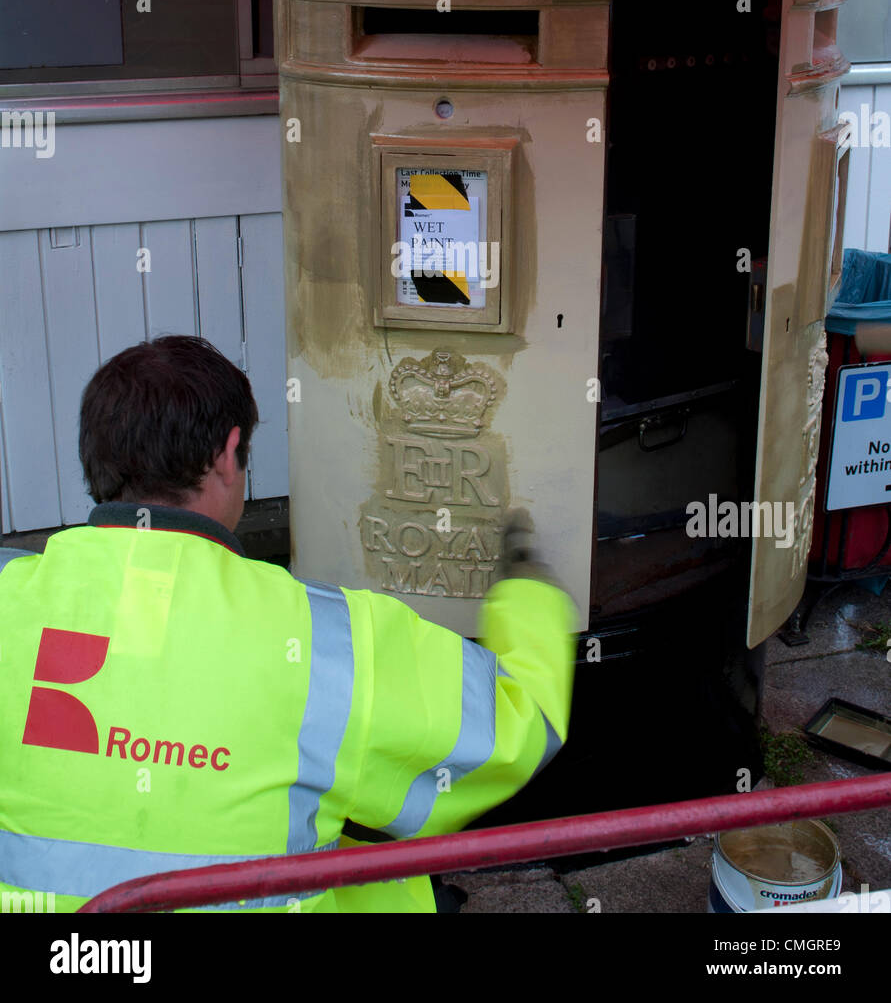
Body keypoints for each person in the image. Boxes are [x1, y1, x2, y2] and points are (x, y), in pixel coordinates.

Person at [0, 335, 576, 913]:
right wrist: (530, 598)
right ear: (228, 455)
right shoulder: (329, 638)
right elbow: (515, 728)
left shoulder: (8, 599)